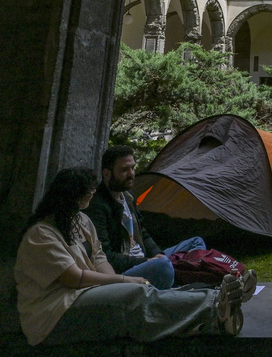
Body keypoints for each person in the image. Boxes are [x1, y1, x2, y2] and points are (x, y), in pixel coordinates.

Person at [15, 167, 255, 346]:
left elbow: (99, 258)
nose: (93, 191)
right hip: (55, 313)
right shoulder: (41, 234)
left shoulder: (80, 220)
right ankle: (216, 308)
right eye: (88, 188)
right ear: (72, 195)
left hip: (83, 292)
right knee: (135, 293)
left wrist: (116, 281)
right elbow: (72, 278)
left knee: (147, 291)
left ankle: (219, 299)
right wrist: (123, 281)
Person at [84, 145, 206, 289]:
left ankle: (177, 275)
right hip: (128, 270)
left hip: (147, 260)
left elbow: (143, 234)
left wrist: (158, 254)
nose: (131, 174)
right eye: (124, 170)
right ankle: (177, 278)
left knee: (196, 243)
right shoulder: (97, 206)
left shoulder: (128, 198)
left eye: (132, 168)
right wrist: (147, 261)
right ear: (107, 174)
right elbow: (107, 256)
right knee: (163, 266)